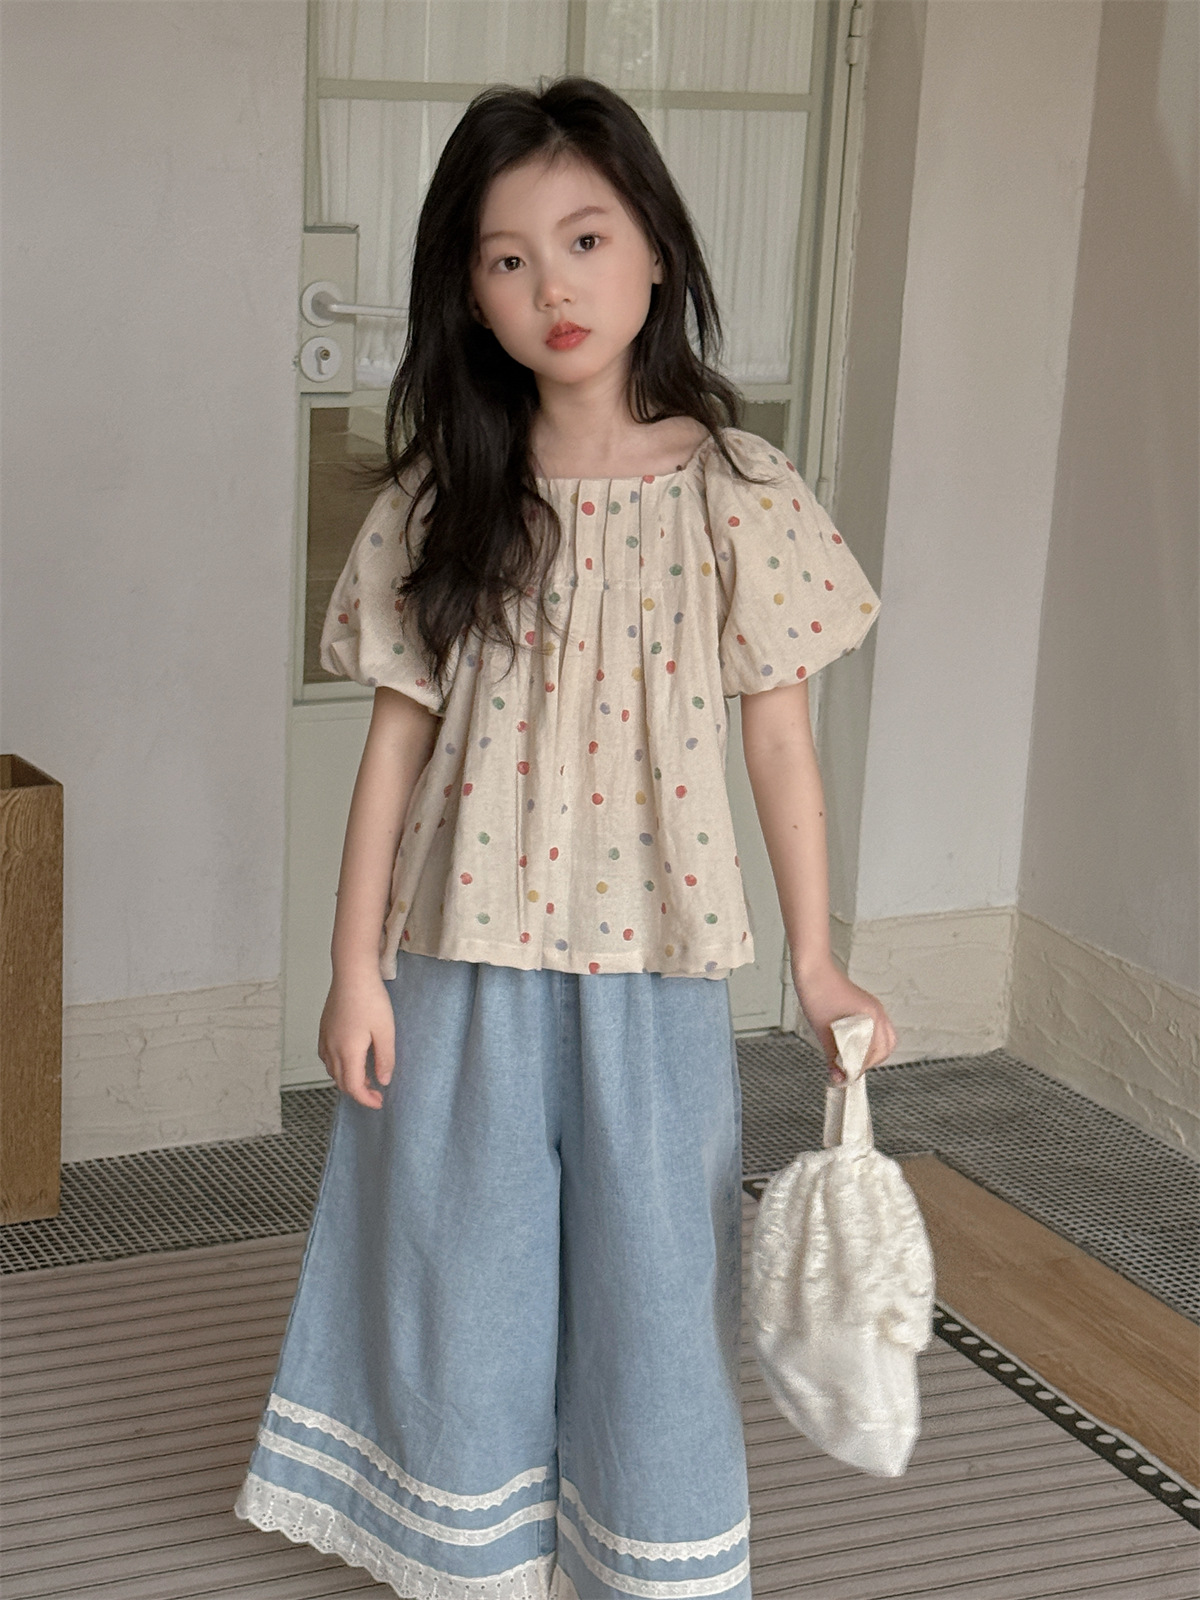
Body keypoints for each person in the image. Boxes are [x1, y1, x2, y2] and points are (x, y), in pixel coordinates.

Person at [235, 75, 895, 1600]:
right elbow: (393, 751)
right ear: (469, 293)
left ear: (656, 247)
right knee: (459, 1271)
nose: (554, 287)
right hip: (455, 960)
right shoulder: (443, 501)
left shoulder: (740, 494)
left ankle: (649, 1560)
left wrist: (816, 962)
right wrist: (353, 971)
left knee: (657, 1285)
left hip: (654, 969)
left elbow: (780, 741)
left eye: (587, 240)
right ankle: (468, 1554)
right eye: (508, 257)